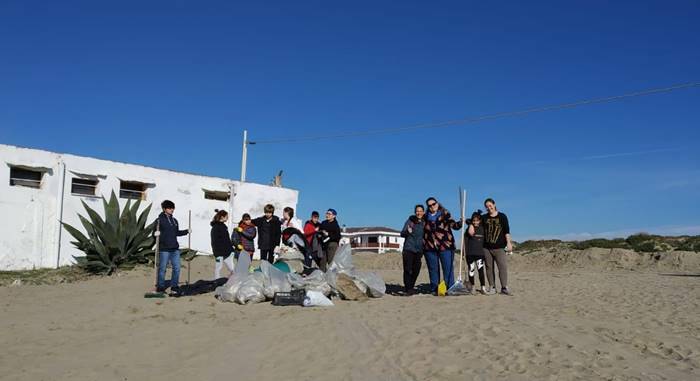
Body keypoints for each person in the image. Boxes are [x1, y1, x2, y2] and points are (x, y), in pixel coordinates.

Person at [422, 197, 462, 295]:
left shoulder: (445, 214)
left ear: (437, 203)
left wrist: (460, 223)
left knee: (448, 268)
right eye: (429, 205)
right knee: (433, 269)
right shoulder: (425, 217)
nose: (432, 206)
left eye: (433, 204)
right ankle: (434, 289)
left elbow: (454, 226)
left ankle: (450, 288)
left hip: (446, 246)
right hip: (430, 247)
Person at [154, 200, 190, 293]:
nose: (172, 210)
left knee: (177, 268)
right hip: (164, 249)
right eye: (170, 208)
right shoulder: (159, 220)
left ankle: (174, 286)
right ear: (164, 209)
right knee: (162, 268)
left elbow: (176, 233)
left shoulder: (175, 221)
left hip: (175, 249)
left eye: (173, 208)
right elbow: (154, 233)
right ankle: (160, 287)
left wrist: (186, 231)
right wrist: (156, 233)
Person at [482, 198, 513, 295]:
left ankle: (504, 287)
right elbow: (475, 223)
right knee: (489, 268)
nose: (489, 207)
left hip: (500, 247)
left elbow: (506, 231)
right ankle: (492, 287)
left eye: (490, 205)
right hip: (486, 247)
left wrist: (509, 243)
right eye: (486, 206)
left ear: (494, 204)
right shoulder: (484, 218)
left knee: (502, 267)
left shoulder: (502, 216)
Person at [400, 205, 425, 295]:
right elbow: (402, 233)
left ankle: (411, 286)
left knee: (416, 269)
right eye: (417, 211)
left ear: (423, 212)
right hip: (408, 249)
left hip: (419, 250)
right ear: (415, 212)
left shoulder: (424, 222)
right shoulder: (410, 221)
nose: (419, 213)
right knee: (408, 269)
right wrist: (407, 231)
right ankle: (408, 288)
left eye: (420, 211)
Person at [465, 211, 487, 294]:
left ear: (480, 221)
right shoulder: (469, 228)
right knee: (471, 270)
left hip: (480, 254)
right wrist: (470, 224)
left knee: (481, 271)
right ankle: (472, 287)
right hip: (470, 254)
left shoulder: (483, 228)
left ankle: (483, 287)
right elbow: (466, 220)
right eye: (473, 220)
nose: (475, 222)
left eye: (477, 220)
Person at [210, 209, 234, 279]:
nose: (227, 218)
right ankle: (216, 282)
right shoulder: (215, 228)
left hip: (227, 252)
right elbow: (214, 242)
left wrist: (231, 249)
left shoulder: (224, 227)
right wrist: (217, 252)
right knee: (218, 268)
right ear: (222, 217)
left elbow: (227, 240)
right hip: (219, 253)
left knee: (232, 269)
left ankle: (232, 281)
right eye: (226, 216)